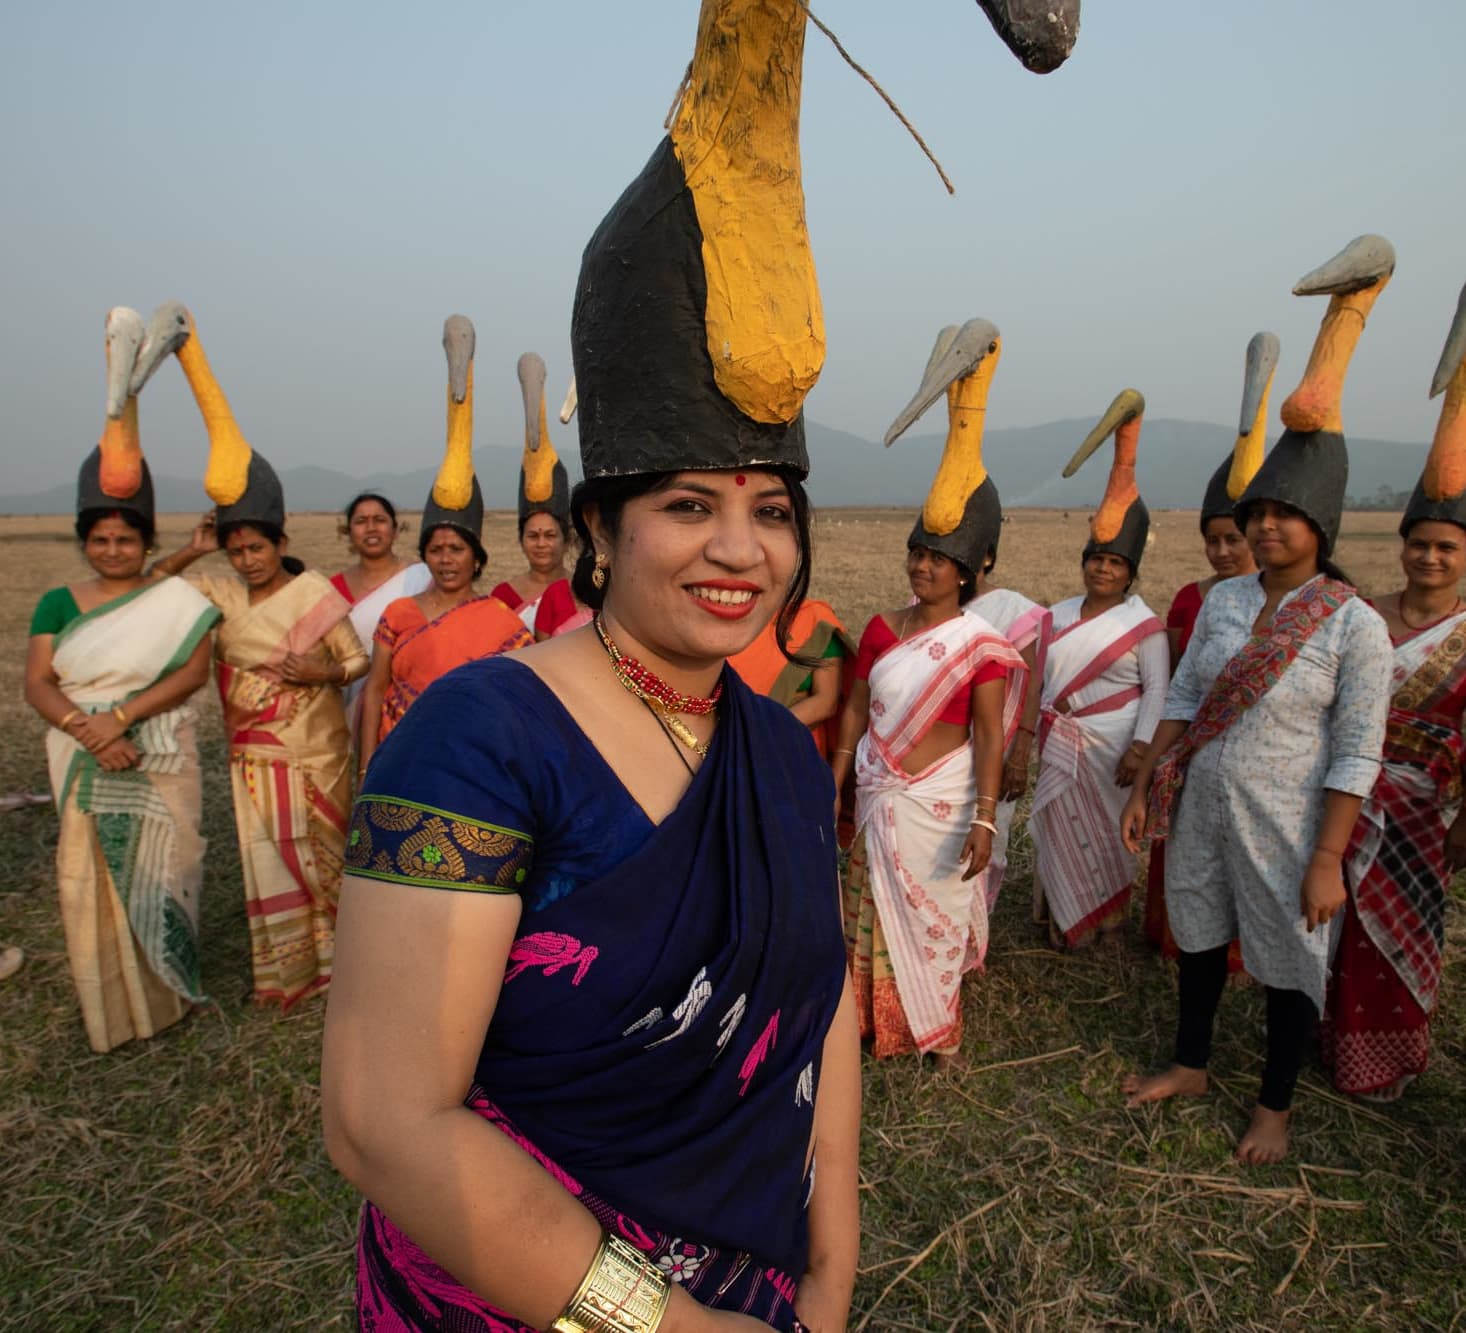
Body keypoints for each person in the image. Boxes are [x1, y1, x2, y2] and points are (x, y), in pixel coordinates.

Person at [323, 9, 867, 1317]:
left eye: (770, 507)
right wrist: (669, 1321)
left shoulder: (777, 746)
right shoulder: (479, 740)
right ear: (600, 530)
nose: (738, 548)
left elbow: (820, 1003)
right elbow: (384, 1122)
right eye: (687, 504)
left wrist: (831, 1265)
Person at [1121, 233, 1395, 1163]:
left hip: (1290, 821)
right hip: (1203, 803)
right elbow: (1187, 693)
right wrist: (1147, 781)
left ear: (1321, 526)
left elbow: (1356, 749)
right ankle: (1192, 1062)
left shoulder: (1352, 625)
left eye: (1285, 515)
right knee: (1198, 934)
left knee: (1286, 962)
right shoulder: (1226, 601)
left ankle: (1275, 1104)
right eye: (1259, 514)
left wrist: (1329, 857)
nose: (1268, 526)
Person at [835, 318, 1024, 1060]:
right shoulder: (883, 628)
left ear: (969, 570)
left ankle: (932, 1028)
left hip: (940, 808)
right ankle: (872, 1021)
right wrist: (840, 769)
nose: (922, 566)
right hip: (879, 793)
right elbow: (857, 704)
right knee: (868, 909)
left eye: (938, 558)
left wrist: (985, 819)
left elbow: (989, 732)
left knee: (934, 919)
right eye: (916, 553)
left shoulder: (979, 646)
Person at [25, 416, 219, 1051]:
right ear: (85, 542)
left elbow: (193, 672)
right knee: (90, 878)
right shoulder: (58, 602)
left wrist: (122, 718)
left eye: (125, 540)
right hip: (81, 750)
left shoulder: (175, 602)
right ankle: (111, 1006)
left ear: (145, 542)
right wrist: (93, 732)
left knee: (169, 862)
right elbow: (38, 683)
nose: (112, 550)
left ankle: (168, 993)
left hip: (158, 748)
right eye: (100, 540)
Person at [154, 454, 369, 1008]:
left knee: (325, 852)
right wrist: (193, 549)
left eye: (257, 548)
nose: (248, 561)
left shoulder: (313, 595)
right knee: (266, 856)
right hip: (252, 757)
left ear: (280, 544)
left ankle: (348, 964)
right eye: (237, 552)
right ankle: (287, 971)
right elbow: (150, 589)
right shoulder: (221, 598)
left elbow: (357, 661)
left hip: (317, 754)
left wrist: (323, 673)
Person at [1321, 290, 1466, 1100]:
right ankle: (1329, 1043)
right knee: (1338, 925)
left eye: (1446, 547)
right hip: (1350, 796)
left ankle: (1390, 1061)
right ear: (1402, 546)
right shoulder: (1364, 618)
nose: (1430, 558)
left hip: (1423, 814)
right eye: (1420, 544)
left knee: (1403, 931)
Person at [1145, 334, 1273, 956]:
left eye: (1233, 540)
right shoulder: (1189, 600)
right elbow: (1176, 681)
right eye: (1212, 540)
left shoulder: (1286, 606)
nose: (1222, 551)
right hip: (1191, 747)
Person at [1029, 391, 1167, 949]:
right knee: (1060, 830)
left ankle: (1110, 922)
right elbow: (1039, 679)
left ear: (1129, 573)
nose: (1103, 569)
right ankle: (1066, 920)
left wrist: (1140, 749)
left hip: (1115, 750)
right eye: (1096, 560)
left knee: (1110, 835)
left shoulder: (1144, 624)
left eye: (1114, 562)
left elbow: (1157, 691)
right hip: (1060, 743)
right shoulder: (1057, 615)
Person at [357, 329, 531, 769]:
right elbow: (375, 690)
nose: (446, 559)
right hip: (397, 759)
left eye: (457, 549)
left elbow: (517, 701)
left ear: (476, 558)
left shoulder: (501, 623)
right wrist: (366, 767)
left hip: (469, 763)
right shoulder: (398, 614)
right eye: (436, 549)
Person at [329, 492, 432, 742]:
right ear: (348, 532)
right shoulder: (333, 590)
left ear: (395, 529)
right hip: (350, 707)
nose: (371, 528)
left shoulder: (423, 578)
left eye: (379, 520)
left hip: (413, 704)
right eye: (361, 521)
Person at [489, 352, 576, 633]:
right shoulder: (502, 597)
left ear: (566, 539)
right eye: (533, 536)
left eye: (550, 535)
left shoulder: (582, 592)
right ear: (521, 540)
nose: (541, 544)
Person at [727, 597, 851, 759]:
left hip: (790, 748)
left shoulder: (813, 620)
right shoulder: (720, 617)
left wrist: (760, 732)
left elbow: (826, 702)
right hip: (723, 743)